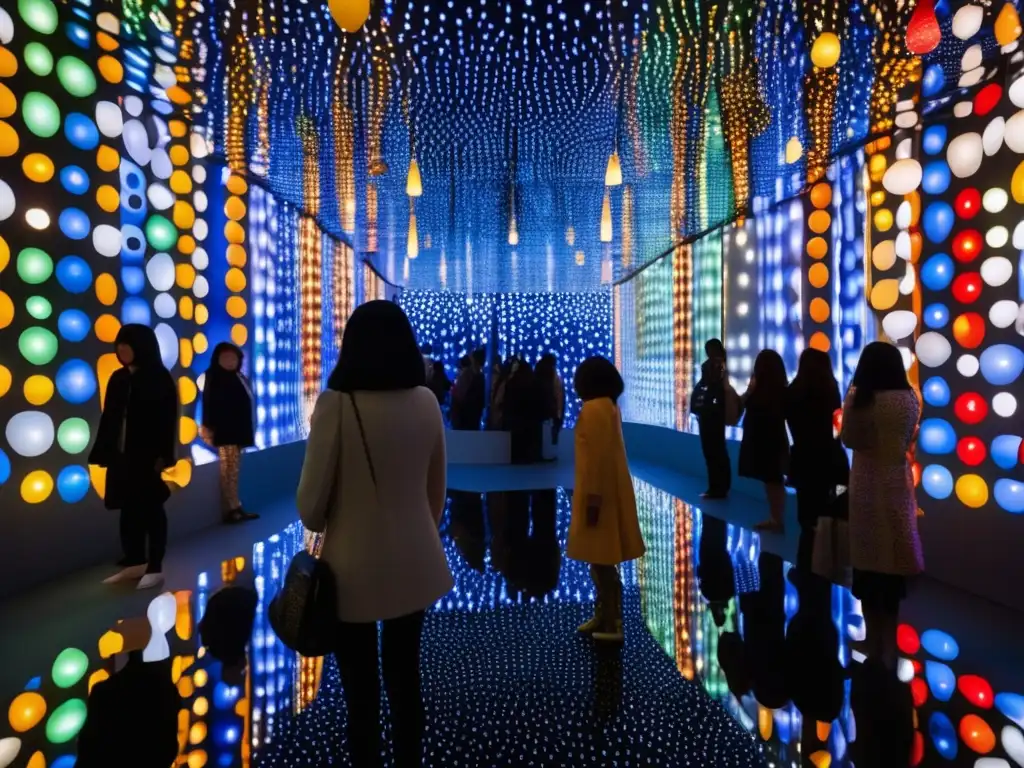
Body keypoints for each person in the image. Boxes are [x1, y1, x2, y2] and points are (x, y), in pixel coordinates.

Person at [296, 300, 452, 768]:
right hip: (416, 563)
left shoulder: (335, 404)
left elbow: (310, 508)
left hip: (351, 571)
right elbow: (436, 494)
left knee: (361, 695)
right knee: (406, 680)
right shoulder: (426, 401)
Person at [841, 341, 923, 672]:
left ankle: (873, 641)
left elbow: (848, 438)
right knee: (890, 564)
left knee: (869, 563)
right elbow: (907, 441)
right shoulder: (909, 399)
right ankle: (888, 643)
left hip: (867, 485)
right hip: (897, 483)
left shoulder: (861, 398)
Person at [89, 324, 177, 590]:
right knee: (127, 509)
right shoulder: (118, 378)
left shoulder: (158, 377)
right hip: (121, 455)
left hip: (146, 456)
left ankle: (155, 565)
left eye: (128, 344)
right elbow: (110, 418)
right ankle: (134, 560)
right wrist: (104, 451)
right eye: (120, 345)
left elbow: (167, 419)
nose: (122, 350)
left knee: (150, 508)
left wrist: (164, 455)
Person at [568, 356, 645, 643]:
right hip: (600, 492)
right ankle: (606, 615)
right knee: (600, 559)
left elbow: (597, 459)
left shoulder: (594, 409)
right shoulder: (607, 407)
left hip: (597, 495)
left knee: (601, 560)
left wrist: (593, 500)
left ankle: (611, 620)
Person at [786, 348, 849, 571]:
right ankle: (831, 561)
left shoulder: (793, 391)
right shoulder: (831, 389)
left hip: (803, 462)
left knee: (807, 517)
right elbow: (835, 427)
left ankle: (807, 565)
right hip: (832, 461)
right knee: (834, 502)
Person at [201, 342, 259, 524]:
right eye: (225, 358)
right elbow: (208, 405)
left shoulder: (238, 377)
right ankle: (232, 509)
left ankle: (235, 506)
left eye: (233, 358)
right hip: (225, 432)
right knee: (229, 471)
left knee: (233, 470)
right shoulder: (214, 377)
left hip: (237, 432)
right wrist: (208, 427)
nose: (229, 361)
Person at [738, 349, 790, 533]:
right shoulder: (782, 391)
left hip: (760, 441)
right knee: (774, 480)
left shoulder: (757, 391)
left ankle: (776, 519)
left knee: (772, 482)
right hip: (775, 440)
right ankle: (776, 517)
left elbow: (740, 408)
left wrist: (749, 391)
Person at [692, 357, 733, 498]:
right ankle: (715, 487)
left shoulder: (718, 387)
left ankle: (719, 488)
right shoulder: (703, 385)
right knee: (711, 456)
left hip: (713, 426)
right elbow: (695, 404)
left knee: (717, 456)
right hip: (706, 425)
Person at [535, 354, 565, 460]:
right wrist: (559, 412)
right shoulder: (553, 375)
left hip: (539, 409)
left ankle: (540, 454)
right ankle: (548, 454)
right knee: (550, 432)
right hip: (550, 409)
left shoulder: (537, 372)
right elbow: (558, 394)